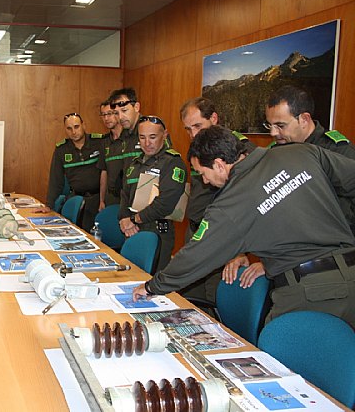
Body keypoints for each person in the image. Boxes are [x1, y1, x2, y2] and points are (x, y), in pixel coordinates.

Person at [133, 126, 355, 328]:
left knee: (283, 363)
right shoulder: (300, 152)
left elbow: (196, 255)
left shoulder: (230, 204)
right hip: (351, 273)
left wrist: (153, 287)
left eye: (203, 174)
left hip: (308, 294)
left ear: (219, 164)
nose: (206, 182)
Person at [179, 97, 258, 300]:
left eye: (197, 126)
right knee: (189, 298)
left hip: (222, 240)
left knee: (215, 299)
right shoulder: (198, 148)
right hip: (196, 231)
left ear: (214, 118)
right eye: (188, 129)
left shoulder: (239, 150)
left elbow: (249, 207)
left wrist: (240, 251)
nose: (193, 134)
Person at [265, 85, 355, 234]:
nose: (273, 132)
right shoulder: (275, 151)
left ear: (304, 119)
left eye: (280, 125)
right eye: (269, 125)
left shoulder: (337, 151)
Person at [118, 115, 186, 272]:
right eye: (142, 137)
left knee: (151, 284)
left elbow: (165, 204)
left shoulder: (172, 162)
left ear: (165, 135)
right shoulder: (135, 163)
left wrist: (134, 220)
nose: (147, 143)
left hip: (157, 232)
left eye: (153, 137)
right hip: (131, 230)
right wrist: (123, 219)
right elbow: (125, 195)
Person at [43, 112, 102, 231]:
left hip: (98, 199)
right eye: (69, 128)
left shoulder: (99, 142)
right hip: (76, 199)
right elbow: (56, 180)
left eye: (76, 127)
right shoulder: (62, 150)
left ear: (83, 125)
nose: (73, 132)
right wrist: (49, 205)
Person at [97, 100, 128, 210]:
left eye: (109, 114)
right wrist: (101, 200)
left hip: (128, 197)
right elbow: (104, 172)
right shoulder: (104, 142)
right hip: (111, 198)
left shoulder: (130, 137)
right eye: (103, 115)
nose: (106, 118)